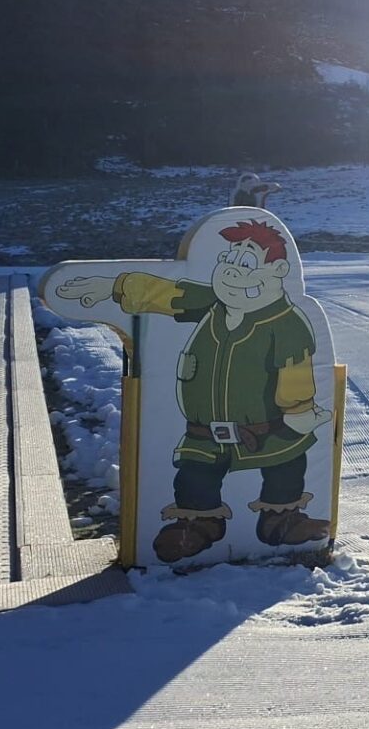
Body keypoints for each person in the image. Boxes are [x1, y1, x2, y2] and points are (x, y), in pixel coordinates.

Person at [55, 219, 332, 563]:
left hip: (270, 430)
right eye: (228, 260)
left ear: (278, 271)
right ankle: (198, 526)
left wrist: (298, 409)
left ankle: (283, 520)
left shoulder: (286, 324)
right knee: (195, 477)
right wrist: (114, 287)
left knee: (286, 467)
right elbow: (166, 293)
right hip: (205, 433)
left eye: (246, 263)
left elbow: (295, 371)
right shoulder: (213, 304)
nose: (232, 271)